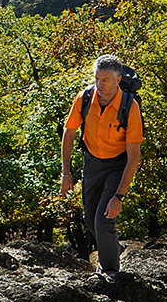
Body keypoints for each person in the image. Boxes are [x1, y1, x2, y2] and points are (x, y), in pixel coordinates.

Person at [59, 54, 143, 276]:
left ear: (118, 80)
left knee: (104, 220)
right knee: (90, 220)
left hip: (118, 165)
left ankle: (110, 272)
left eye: (105, 80)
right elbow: (69, 133)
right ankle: (113, 249)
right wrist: (66, 173)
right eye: (97, 79)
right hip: (92, 163)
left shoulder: (130, 106)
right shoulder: (85, 98)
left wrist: (119, 197)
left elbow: (134, 156)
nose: (100, 85)